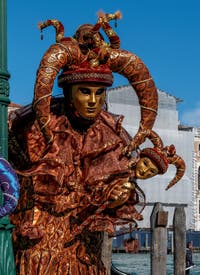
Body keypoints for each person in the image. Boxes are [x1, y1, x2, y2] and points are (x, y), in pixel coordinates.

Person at [8, 12, 168, 275]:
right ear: (70, 92)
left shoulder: (108, 137)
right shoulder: (38, 128)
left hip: (83, 250)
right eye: (85, 92)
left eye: (99, 93)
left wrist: (117, 197)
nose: (93, 100)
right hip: (39, 244)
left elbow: (105, 197)